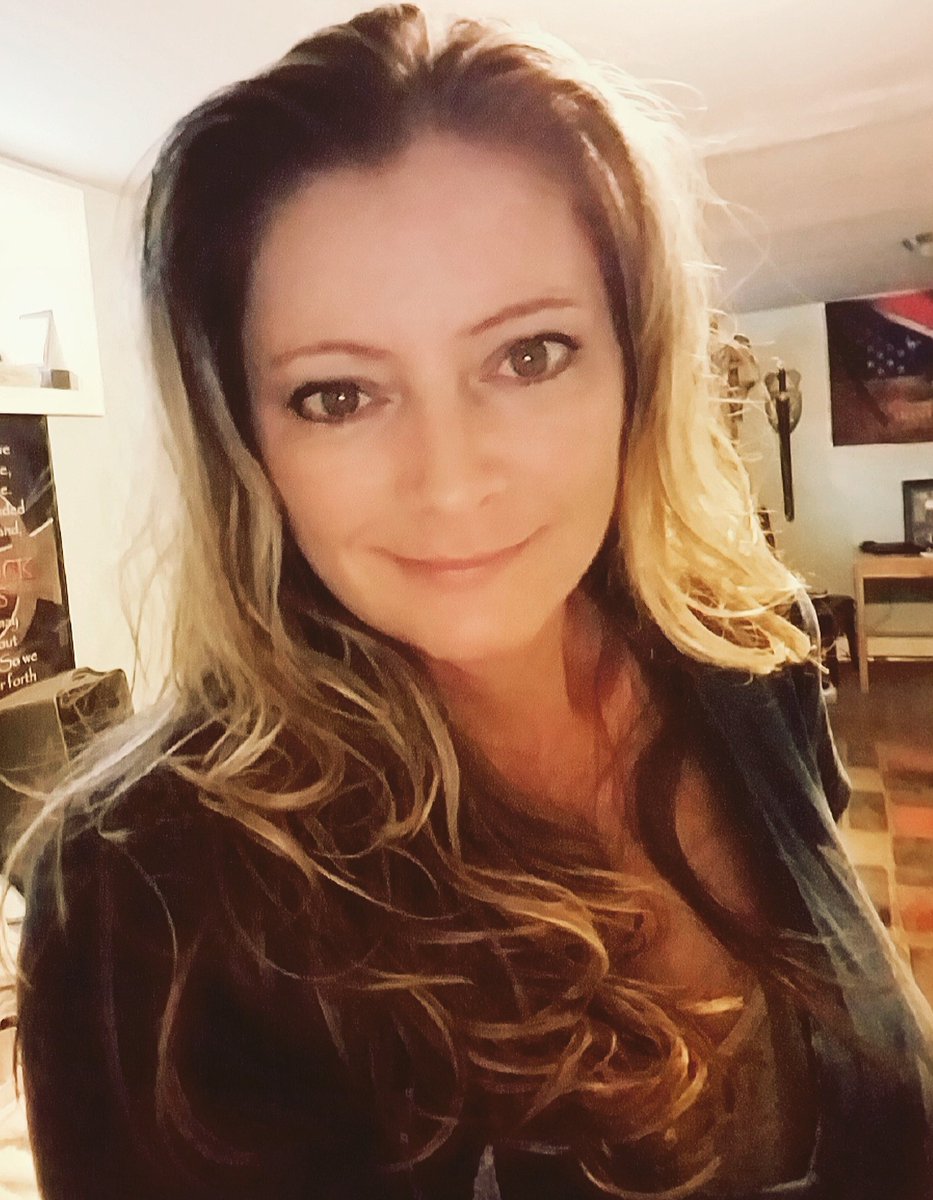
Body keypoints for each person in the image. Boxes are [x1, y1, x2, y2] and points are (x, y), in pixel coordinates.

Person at [11, 5, 933, 1198]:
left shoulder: (752, 665)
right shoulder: (143, 897)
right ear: (248, 438)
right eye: (338, 395)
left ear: (636, 367)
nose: (450, 484)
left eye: (529, 355)